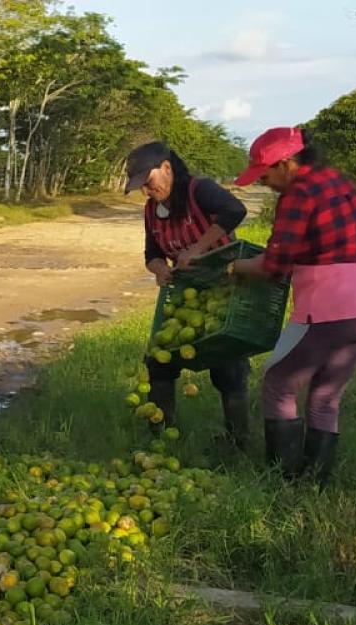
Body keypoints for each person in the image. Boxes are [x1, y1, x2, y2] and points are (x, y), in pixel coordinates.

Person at [231, 127, 356, 485]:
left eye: (266, 175)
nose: (265, 183)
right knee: (326, 395)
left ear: (286, 163)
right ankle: (315, 482)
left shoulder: (297, 195)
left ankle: (282, 477)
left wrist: (234, 267)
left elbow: (274, 266)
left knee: (279, 384)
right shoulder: (338, 180)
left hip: (328, 309)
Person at [125, 141, 251, 444]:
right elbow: (151, 253)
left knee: (227, 365)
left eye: (148, 181)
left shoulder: (199, 190)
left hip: (224, 290)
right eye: (141, 186)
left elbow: (235, 210)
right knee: (160, 360)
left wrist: (197, 249)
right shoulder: (151, 211)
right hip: (186, 298)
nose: (146, 191)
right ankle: (161, 435)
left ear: (166, 168)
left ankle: (237, 441)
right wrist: (159, 269)